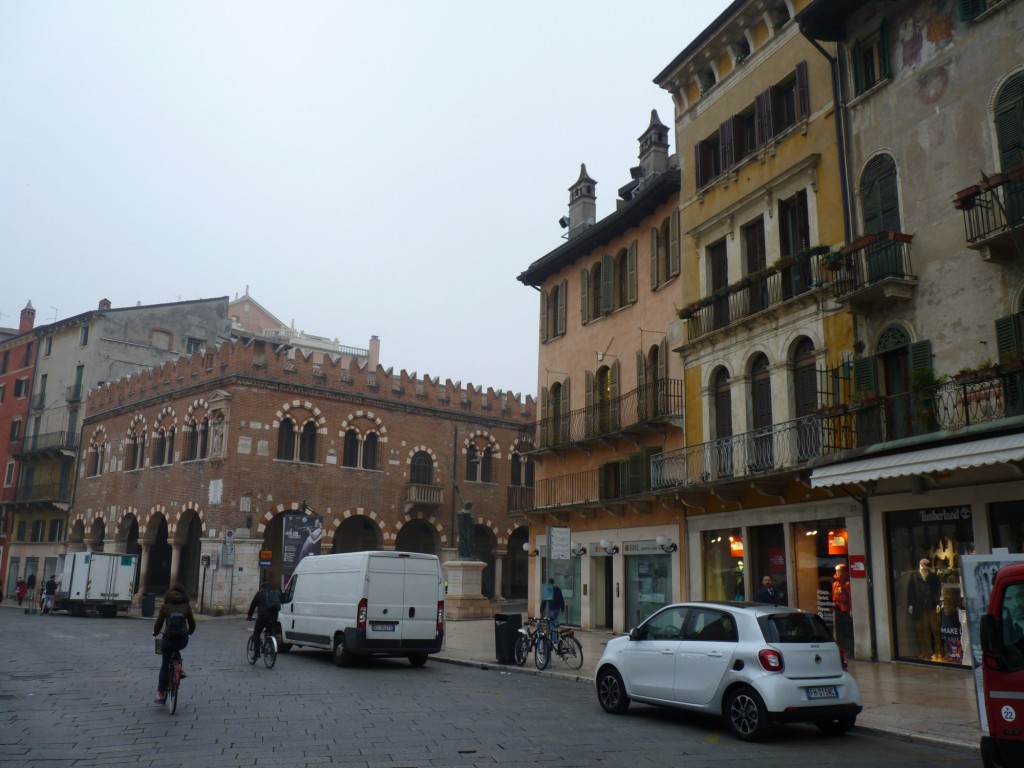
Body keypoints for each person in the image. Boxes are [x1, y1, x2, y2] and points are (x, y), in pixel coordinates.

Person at [152, 583, 196, 704]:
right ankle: (179, 668)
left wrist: (155, 632)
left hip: (168, 638)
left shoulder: (165, 606)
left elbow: (159, 623)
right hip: (182, 639)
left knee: (165, 665)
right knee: (177, 648)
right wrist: (190, 632)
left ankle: (160, 693)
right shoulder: (186, 606)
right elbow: (192, 623)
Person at [907, 557, 943, 661]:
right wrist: (910, 604)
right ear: (920, 566)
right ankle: (923, 651)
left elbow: (938, 591)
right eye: (924, 567)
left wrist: (938, 603)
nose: (926, 570)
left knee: (935, 629)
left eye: (927, 568)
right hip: (919, 606)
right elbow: (911, 591)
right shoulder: (914, 577)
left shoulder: (934, 577)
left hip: (931, 605)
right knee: (920, 629)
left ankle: (938, 651)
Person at [246, 582, 281, 658]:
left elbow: (253, 605)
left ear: (262, 588)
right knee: (271, 633)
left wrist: (249, 616)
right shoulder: (274, 594)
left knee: (256, 633)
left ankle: (256, 654)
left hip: (263, 617)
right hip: (274, 618)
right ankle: (271, 646)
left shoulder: (259, 594)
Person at [832, 564, 853, 654]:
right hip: (838, 610)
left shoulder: (847, 585)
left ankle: (848, 649)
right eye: (836, 570)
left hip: (845, 611)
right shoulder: (835, 584)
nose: (837, 572)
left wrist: (851, 610)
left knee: (846, 631)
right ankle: (841, 648)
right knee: (839, 631)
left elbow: (851, 598)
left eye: (839, 570)